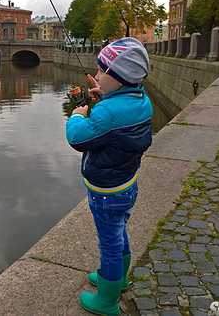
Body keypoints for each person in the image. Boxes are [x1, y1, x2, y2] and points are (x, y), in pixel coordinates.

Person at [65, 37, 153, 315]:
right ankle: (117, 278)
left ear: (120, 77)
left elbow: (78, 138)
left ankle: (107, 300)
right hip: (126, 184)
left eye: (103, 71)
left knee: (110, 243)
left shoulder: (108, 113)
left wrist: (77, 115)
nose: (98, 75)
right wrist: (105, 95)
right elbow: (116, 117)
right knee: (119, 232)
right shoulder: (141, 100)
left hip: (106, 192)